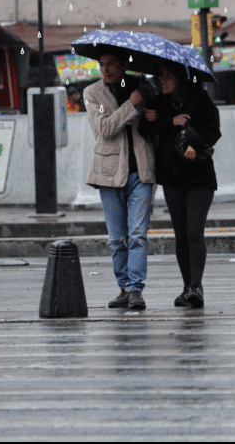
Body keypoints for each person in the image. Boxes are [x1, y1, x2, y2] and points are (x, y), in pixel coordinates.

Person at [140, 63, 221, 308]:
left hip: (199, 177)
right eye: (160, 76)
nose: (162, 81)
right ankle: (187, 287)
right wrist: (168, 121)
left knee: (194, 231)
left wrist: (194, 148)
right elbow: (145, 129)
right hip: (172, 178)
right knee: (181, 235)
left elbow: (214, 131)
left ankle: (197, 286)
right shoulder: (157, 103)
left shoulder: (201, 99)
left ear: (182, 79)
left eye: (168, 77)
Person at [84, 47, 155, 311]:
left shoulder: (144, 87)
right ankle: (123, 288)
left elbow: (152, 127)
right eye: (102, 64)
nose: (105, 69)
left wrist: (151, 114)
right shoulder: (93, 93)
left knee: (138, 234)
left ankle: (136, 289)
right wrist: (131, 105)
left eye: (111, 64)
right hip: (109, 172)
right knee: (117, 238)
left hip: (142, 170)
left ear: (124, 65)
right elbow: (104, 128)